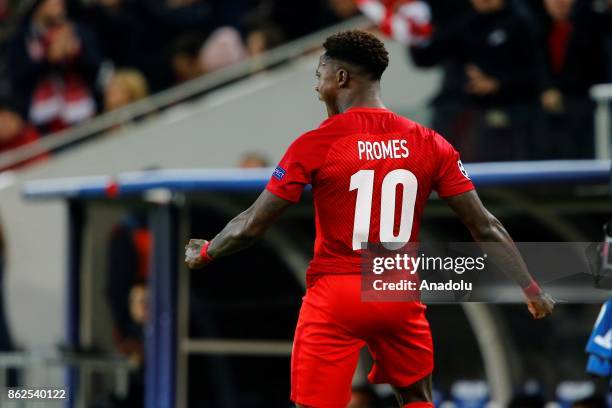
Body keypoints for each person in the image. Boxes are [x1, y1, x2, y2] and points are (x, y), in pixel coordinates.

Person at [185, 30, 554, 408]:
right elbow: (485, 225)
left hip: (337, 292)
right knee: (416, 398)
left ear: (341, 78)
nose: (317, 86)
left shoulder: (315, 144)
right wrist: (531, 289)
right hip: (396, 292)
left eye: (319, 75)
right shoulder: (430, 142)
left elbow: (252, 224)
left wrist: (208, 251)